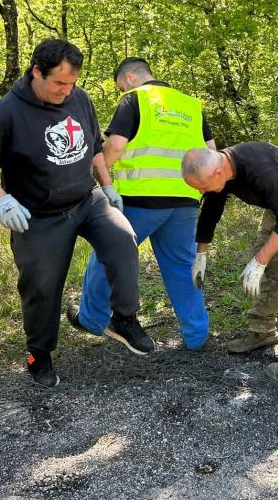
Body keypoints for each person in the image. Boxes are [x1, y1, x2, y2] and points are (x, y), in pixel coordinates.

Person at [0, 39, 154, 389]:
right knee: (41, 286)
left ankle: (123, 318)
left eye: (72, 83)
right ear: (37, 71)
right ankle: (39, 353)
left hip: (87, 199)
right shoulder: (8, 112)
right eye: (59, 83)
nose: (66, 91)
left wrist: (108, 187)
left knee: (123, 239)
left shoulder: (78, 98)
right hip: (38, 216)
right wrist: (1, 199)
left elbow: (95, 147)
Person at [69, 57, 214, 349]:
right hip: (184, 200)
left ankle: (91, 318)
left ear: (131, 78)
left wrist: (100, 176)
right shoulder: (190, 105)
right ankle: (196, 337)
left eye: (121, 86)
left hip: (139, 201)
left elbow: (115, 146)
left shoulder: (134, 100)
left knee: (109, 255)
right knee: (181, 266)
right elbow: (211, 152)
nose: (122, 90)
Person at [181, 143, 278, 382]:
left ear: (218, 173)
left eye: (202, 187)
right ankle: (262, 332)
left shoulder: (260, 169)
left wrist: (260, 261)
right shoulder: (221, 169)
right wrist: (201, 254)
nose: (201, 192)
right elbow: (211, 209)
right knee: (265, 270)